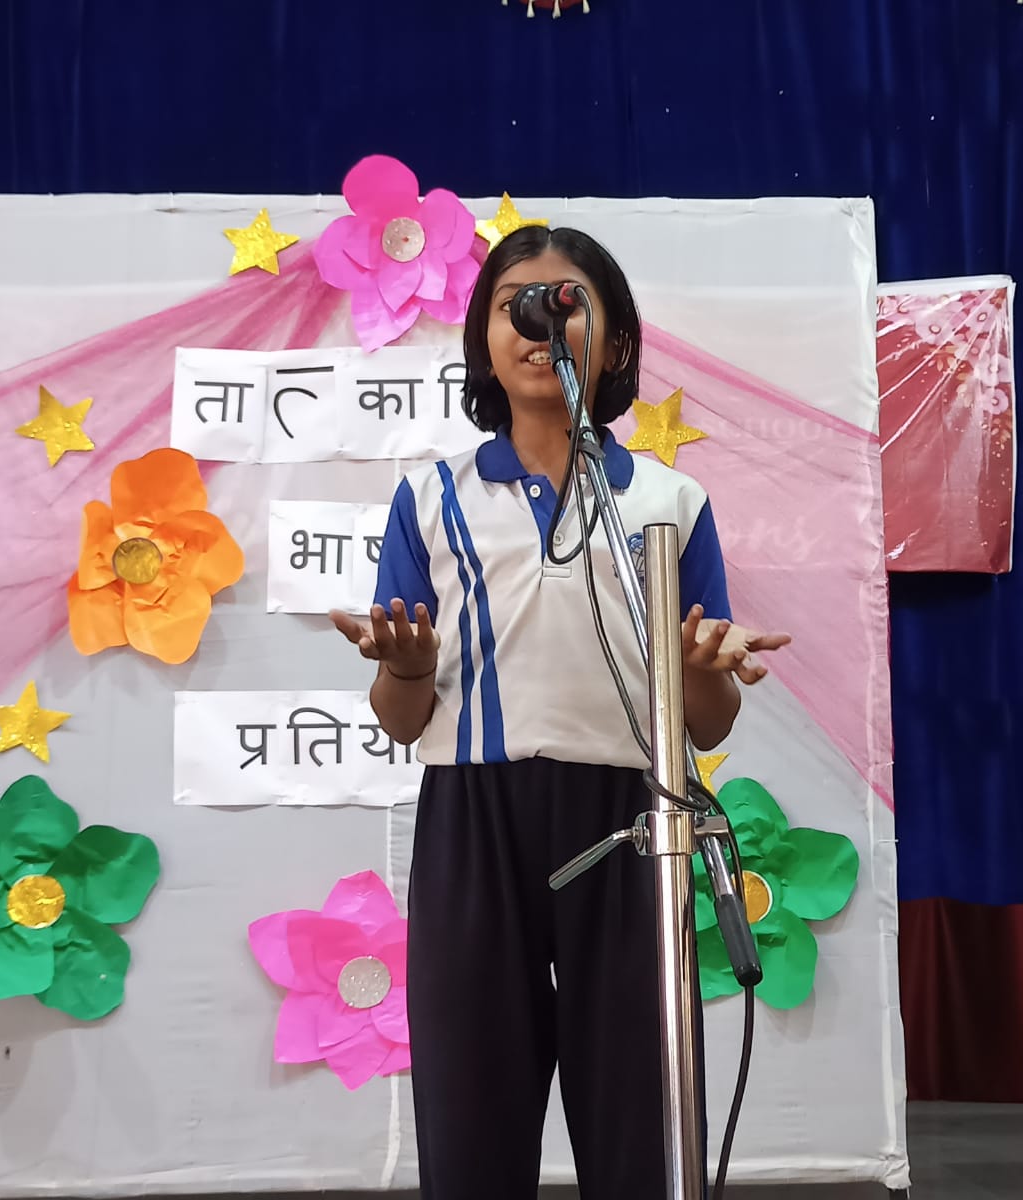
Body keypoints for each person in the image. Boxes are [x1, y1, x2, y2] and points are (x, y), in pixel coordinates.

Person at [329, 225, 789, 1200]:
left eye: (565, 303)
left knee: (639, 1120)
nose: (540, 324)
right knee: (472, 1115)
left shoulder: (669, 499)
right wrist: (408, 667)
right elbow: (402, 721)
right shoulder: (431, 499)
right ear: (484, 340)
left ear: (614, 342)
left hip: (632, 823)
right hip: (473, 825)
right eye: (515, 306)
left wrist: (704, 670)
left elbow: (705, 725)